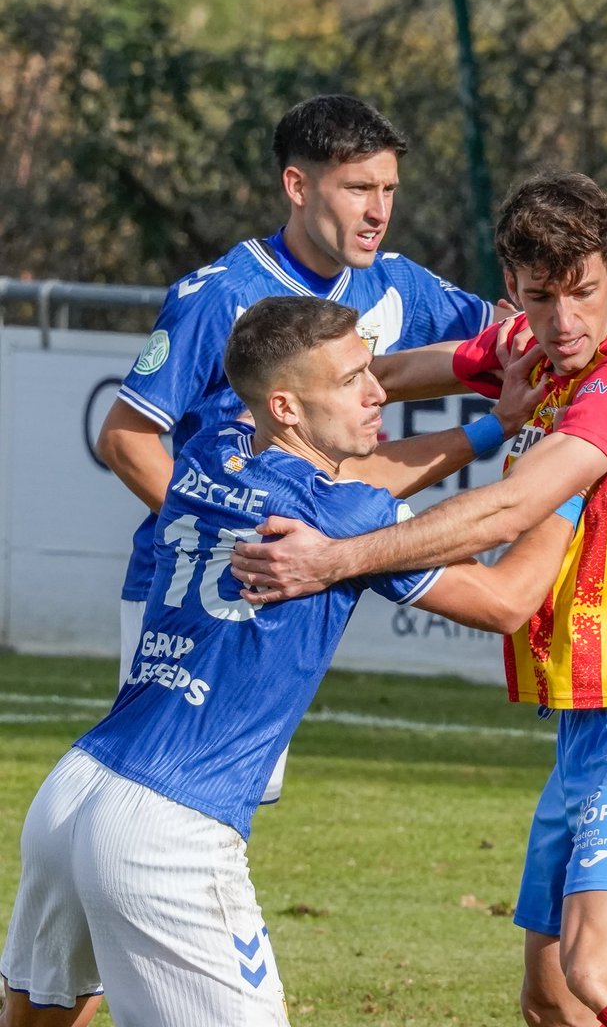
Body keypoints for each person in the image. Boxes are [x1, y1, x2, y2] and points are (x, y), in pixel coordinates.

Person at [232, 173, 607, 1027]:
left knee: (599, 967)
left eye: (583, 293)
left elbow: (512, 506)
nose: (565, 321)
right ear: (513, 289)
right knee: (549, 997)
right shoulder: (528, 347)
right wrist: (259, 416)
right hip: (591, 713)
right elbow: (371, 376)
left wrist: (337, 558)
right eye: (541, 298)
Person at [0, 296, 576, 1027]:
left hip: (74, 792)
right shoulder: (340, 516)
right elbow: (505, 600)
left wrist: (493, 427)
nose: (378, 392)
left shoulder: (210, 449)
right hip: (171, 823)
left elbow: (354, 485)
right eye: (352, 380)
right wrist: (574, 479)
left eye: (372, 371)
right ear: (286, 406)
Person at [97, 92, 507, 803]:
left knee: (220, 801)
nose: (378, 211)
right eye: (357, 189)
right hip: (188, 591)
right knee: (167, 796)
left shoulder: (396, 284)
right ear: (297, 185)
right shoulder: (220, 297)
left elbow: (506, 333)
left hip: (289, 577)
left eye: (388, 190)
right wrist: (225, 532)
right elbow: (127, 439)